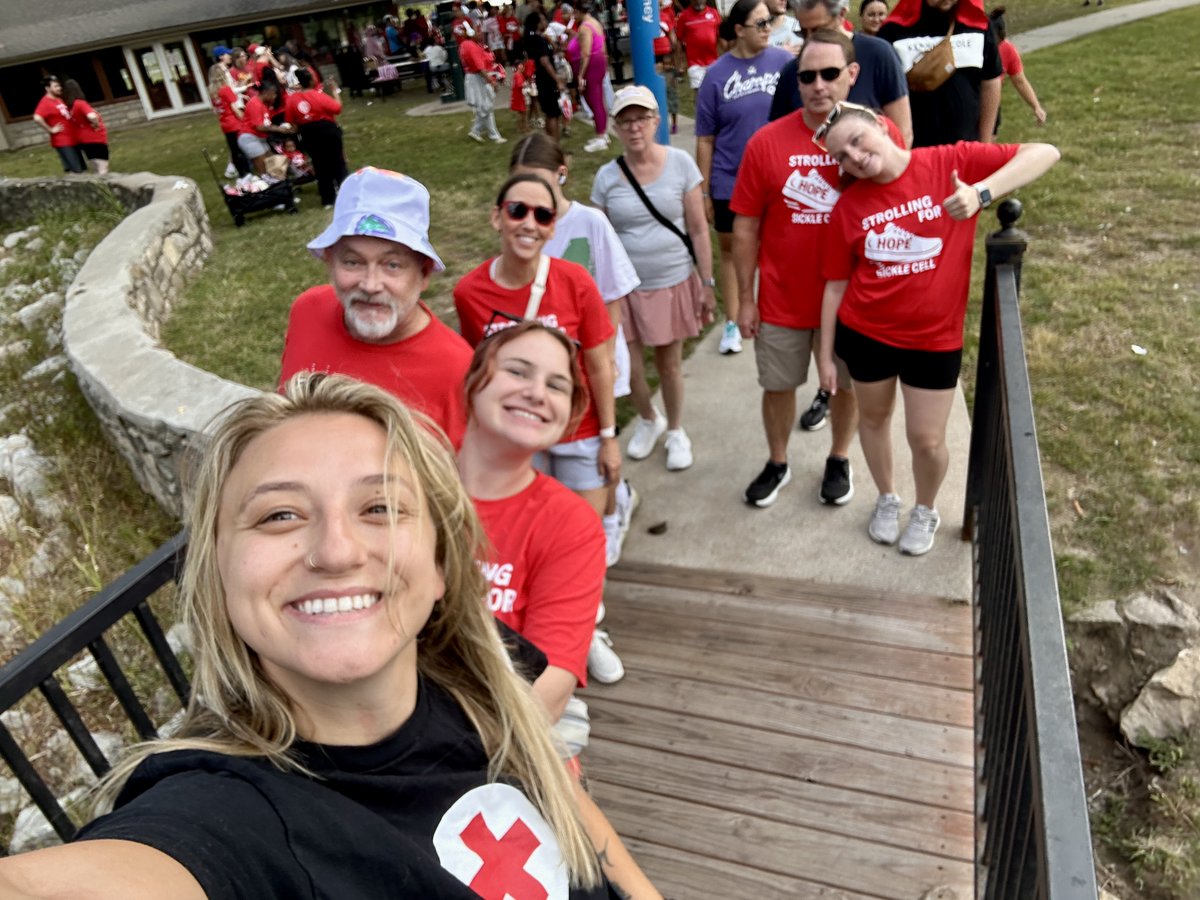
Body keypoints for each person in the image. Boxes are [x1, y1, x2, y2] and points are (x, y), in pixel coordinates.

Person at [0, 372, 657, 898]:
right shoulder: (224, 813)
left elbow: (558, 796)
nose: (336, 551)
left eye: (380, 507)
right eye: (279, 515)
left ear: (439, 565)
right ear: (218, 577)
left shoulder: (480, 676)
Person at [815, 100, 1059, 554]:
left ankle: (925, 507)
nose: (854, 157)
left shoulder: (951, 162)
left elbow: (1045, 152)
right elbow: (835, 285)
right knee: (873, 419)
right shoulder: (849, 206)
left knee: (926, 439)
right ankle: (887, 497)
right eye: (842, 156)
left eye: (857, 141)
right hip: (866, 334)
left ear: (881, 126)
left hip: (933, 339)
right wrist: (826, 356)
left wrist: (981, 193)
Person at [732, 29, 903, 509]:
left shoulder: (876, 134)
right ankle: (778, 461)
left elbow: (900, 199)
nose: (818, 85)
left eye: (830, 73)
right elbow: (745, 226)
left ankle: (839, 457)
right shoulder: (766, 142)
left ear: (852, 74)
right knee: (778, 386)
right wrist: (745, 298)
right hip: (783, 298)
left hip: (853, 301)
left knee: (845, 386)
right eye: (807, 76)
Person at [458, 322, 617, 733]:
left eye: (557, 385)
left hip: (494, 745)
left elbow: (547, 693)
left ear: (569, 415)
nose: (536, 393)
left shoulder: (570, 524)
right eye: (517, 371)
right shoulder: (404, 490)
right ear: (472, 380)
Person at [509, 133, 641, 578]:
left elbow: (613, 293)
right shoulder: (522, 224)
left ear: (561, 174)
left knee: (602, 443)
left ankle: (613, 512)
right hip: (549, 366)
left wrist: (606, 352)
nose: (532, 198)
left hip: (595, 358)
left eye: (540, 181)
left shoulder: (590, 222)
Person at [454, 174, 620, 521]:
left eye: (543, 215)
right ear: (497, 217)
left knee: (584, 528)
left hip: (579, 430)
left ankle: (619, 506)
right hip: (515, 433)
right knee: (530, 527)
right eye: (518, 210)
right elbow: (477, 371)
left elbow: (599, 365)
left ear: (552, 228)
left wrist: (608, 438)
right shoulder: (469, 293)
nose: (530, 224)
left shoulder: (576, 281)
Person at [280, 168, 474, 448]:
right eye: (353, 262)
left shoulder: (457, 370)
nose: (370, 285)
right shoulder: (307, 310)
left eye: (392, 265)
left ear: (424, 273)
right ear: (330, 262)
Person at [593, 86, 715, 476]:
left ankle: (676, 430)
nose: (634, 128)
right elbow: (599, 239)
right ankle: (649, 418)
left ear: (656, 121)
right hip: (624, 290)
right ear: (615, 127)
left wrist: (707, 282)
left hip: (671, 279)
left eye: (641, 119)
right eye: (625, 121)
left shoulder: (680, 164)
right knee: (626, 366)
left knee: (669, 365)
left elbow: (698, 229)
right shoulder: (606, 177)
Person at [694, 0, 793, 355]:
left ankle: (776, 315)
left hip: (778, 178)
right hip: (729, 179)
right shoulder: (716, 75)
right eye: (760, 23)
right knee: (732, 252)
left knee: (778, 248)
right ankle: (733, 322)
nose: (768, 29)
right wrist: (704, 191)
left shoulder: (784, 63)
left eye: (770, 21)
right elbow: (705, 139)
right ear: (738, 30)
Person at [768, 0, 913, 150]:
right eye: (803, 32)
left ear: (841, 14)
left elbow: (902, 134)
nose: (811, 39)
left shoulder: (878, 54)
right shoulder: (794, 69)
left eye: (819, 30)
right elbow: (778, 137)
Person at [877, 0, 1002, 147]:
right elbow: (883, 93)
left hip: (967, 147)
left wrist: (985, 143)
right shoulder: (894, 32)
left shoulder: (978, 26)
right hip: (918, 148)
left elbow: (990, 82)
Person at [285, 69, 348, 208]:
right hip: (328, 130)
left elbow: (290, 120)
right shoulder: (318, 95)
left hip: (309, 134)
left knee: (320, 165)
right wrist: (335, 91)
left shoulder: (292, 99)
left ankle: (328, 200)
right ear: (311, 81)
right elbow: (337, 108)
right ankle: (347, 195)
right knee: (338, 162)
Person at [989, 6, 1047, 128]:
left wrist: (1036, 106)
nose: (994, 47)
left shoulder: (1007, 49)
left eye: (998, 42)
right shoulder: (976, 48)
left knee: (988, 138)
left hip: (992, 103)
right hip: (970, 102)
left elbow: (1020, 81)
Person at [566, 1, 611, 152]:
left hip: (591, 66)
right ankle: (602, 132)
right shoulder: (595, 23)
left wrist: (580, 75)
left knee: (594, 100)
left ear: (580, 11)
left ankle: (601, 136)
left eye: (575, 12)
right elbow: (603, 46)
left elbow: (585, 53)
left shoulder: (585, 27)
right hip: (597, 63)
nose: (574, 16)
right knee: (597, 99)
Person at [460, 26, 508, 144]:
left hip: (474, 77)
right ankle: (489, 134)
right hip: (477, 78)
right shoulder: (471, 46)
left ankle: (478, 131)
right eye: (478, 32)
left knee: (485, 107)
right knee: (486, 107)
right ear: (471, 33)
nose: (480, 34)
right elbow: (479, 68)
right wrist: (492, 81)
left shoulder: (466, 44)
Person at [208, 48, 251, 178]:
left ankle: (240, 173)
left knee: (234, 149)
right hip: (234, 122)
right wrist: (244, 119)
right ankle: (246, 173)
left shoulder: (212, 91)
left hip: (224, 124)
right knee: (241, 149)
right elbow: (234, 108)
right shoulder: (226, 90)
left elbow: (215, 109)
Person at [525, 11, 567, 139]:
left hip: (540, 80)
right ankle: (554, 142)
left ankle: (550, 141)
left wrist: (549, 40)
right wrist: (557, 79)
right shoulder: (539, 40)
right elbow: (544, 61)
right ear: (537, 24)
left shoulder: (533, 39)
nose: (545, 22)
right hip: (547, 80)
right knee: (553, 113)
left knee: (549, 113)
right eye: (543, 20)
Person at [238, 80, 294, 175]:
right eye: (274, 94)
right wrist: (279, 129)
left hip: (260, 138)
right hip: (250, 138)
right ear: (266, 92)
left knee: (276, 165)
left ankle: (280, 180)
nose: (275, 96)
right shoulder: (255, 104)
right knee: (265, 170)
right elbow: (260, 127)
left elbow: (266, 123)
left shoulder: (264, 104)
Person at [32, 76, 84, 174]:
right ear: (47, 88)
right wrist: (50, 129)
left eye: (59, 86)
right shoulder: (45, 102)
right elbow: (37, 117)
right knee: (76, 170)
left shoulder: (58, 99)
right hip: (63, 141)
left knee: (81, 168)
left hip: (73, 139)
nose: (59, 88)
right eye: (56, 86)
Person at [61, 79, 110, 175]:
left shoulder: (71, 107)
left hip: (83, 140)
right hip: (95, 139)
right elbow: (91, 116)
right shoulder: (80, 103)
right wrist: (96, 124)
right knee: (102, 168)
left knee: (95, 167)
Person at [675, 0, 723, 90]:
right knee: (700, 92)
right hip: (695, 64)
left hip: (714, 62)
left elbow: (721, 37)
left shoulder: (713, 13)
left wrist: (724, 57)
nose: (698, 1)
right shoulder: (684, 16)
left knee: (716, 90)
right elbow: (678, 41)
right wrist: (679, 62)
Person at [653, 0, 683, 134]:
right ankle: (658, 121)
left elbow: (673, 39)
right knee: (656, 92)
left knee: (671, 91)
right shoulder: (645, 19)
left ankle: (674, 122)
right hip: (652, 57)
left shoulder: (665, 17)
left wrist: (677, 63)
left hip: (666, 56)